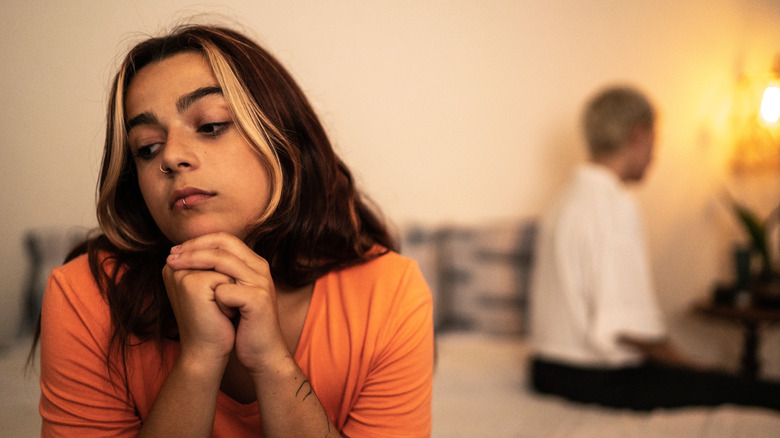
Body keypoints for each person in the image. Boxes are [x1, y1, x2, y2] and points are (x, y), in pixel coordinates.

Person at [32, 24, 434, 437]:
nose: (170, 157)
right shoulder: (84, 295)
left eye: (210, 126)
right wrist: (200, 359)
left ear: (282, 139)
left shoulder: (391, 293)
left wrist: (272, 362)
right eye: (147, 148)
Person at [528, 85, 780, 411]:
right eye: (654, 142)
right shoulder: (612, 204)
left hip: (545, 370)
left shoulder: (564, 201)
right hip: (592, 375)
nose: (654, 155)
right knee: (751, 390)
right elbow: (629, 327)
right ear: (638, 135)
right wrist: (691, 367)